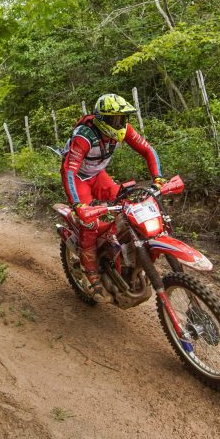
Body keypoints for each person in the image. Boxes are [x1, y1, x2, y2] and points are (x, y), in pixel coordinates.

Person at [60, 93, 165, 301]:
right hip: (79, 178)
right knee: (89, 222)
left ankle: (121, 251)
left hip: (98, 175)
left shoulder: (124, 130)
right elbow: (69, 171)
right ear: (102, 119)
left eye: (122, 118)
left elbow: (147, 150)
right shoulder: (84, 136)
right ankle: (91, 273)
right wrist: (77, 204)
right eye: (114, 119)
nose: (120, 123)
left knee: (129, 204)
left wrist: (158, 178)